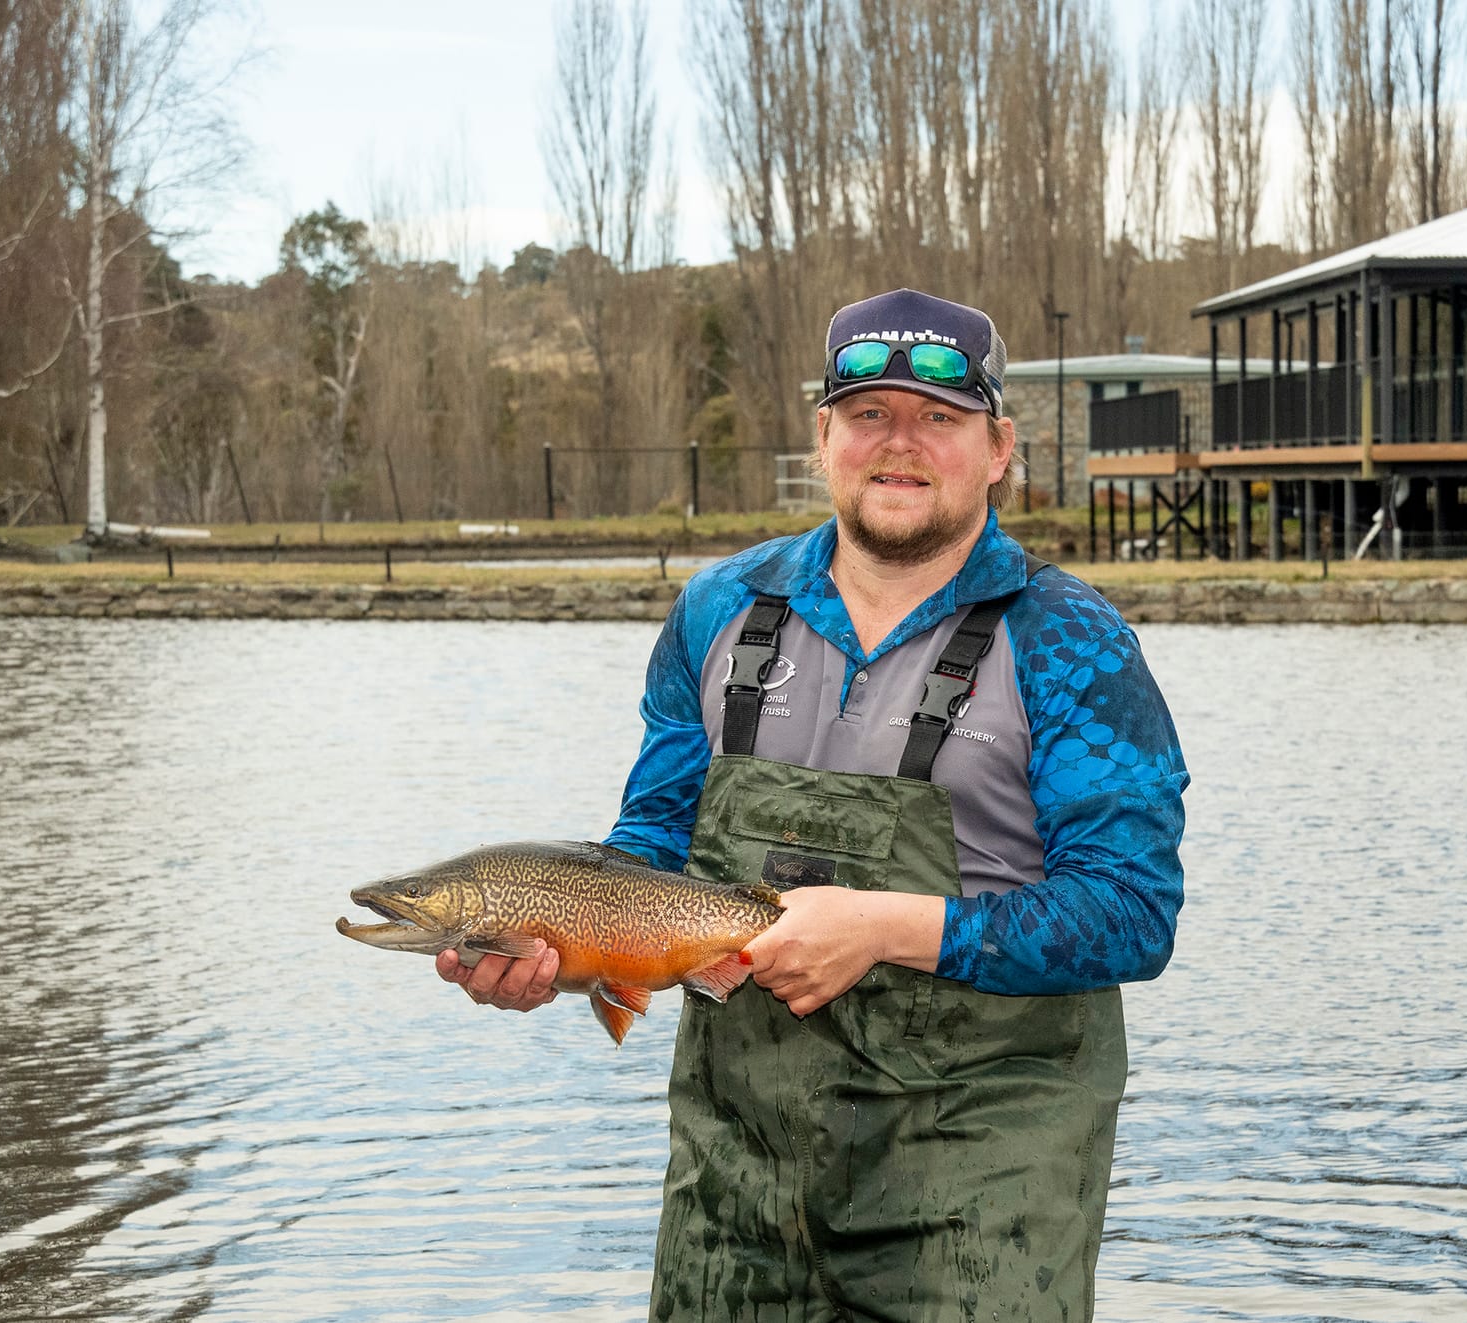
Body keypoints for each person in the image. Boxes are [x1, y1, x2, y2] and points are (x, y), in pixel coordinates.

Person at [438, 288, 1188, 1323]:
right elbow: (652, 844)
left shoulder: (1070, 643)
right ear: (823, 433)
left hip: (981, 1196)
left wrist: (882, 928)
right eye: (869, 416)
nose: (901, 445)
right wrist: (570, 952)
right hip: (733, 1190)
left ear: (998, 445)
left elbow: (1131, 916)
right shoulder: (716, 612)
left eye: (940, 419)